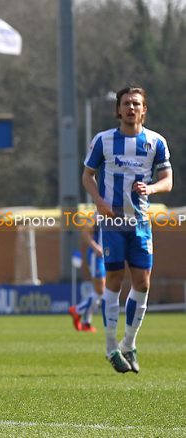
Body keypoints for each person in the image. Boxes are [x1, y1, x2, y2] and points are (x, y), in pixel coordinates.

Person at [83, 85, 172, 374]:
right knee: (114, 279)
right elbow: (87, 175)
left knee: (143, 283)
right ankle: (110, 347)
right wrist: (98, 201)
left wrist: (152, 188)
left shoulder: (156, 142)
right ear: (118, 109)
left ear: (144, 109)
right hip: (112, 222)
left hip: (140, 222)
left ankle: (128, 343)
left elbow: (167, 180)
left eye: (136, 103)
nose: (131, 108)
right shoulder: (104, 141)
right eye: (126, 103)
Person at [68, 225, 104, 332]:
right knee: (100, 291)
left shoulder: (116, 212)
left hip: (106, 257)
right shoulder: (99, 213)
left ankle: (86, 323)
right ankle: (77, 310)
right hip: (96, 257)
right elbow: (85, 232)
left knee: (99, 292)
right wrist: (95, 247)